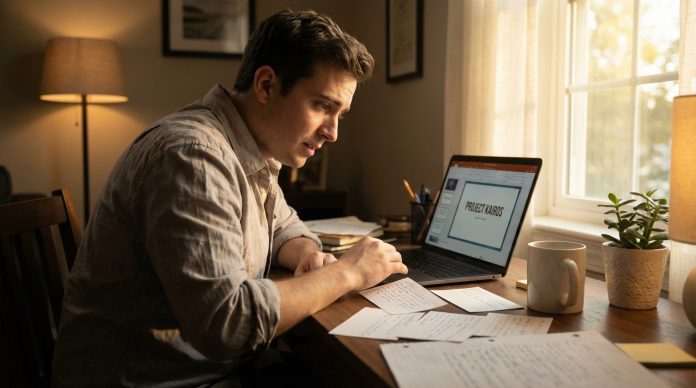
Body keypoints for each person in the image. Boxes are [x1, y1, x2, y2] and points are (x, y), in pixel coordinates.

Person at [52, 9, 407, 387]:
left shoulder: (254, 148)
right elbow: (227, 323)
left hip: (204, 370)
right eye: (322, 106)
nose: (333, 132)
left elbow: (283, 223)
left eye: (341, 113)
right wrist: (347, 271)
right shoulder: (191, 155)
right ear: (267, 85)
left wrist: (306, 254)